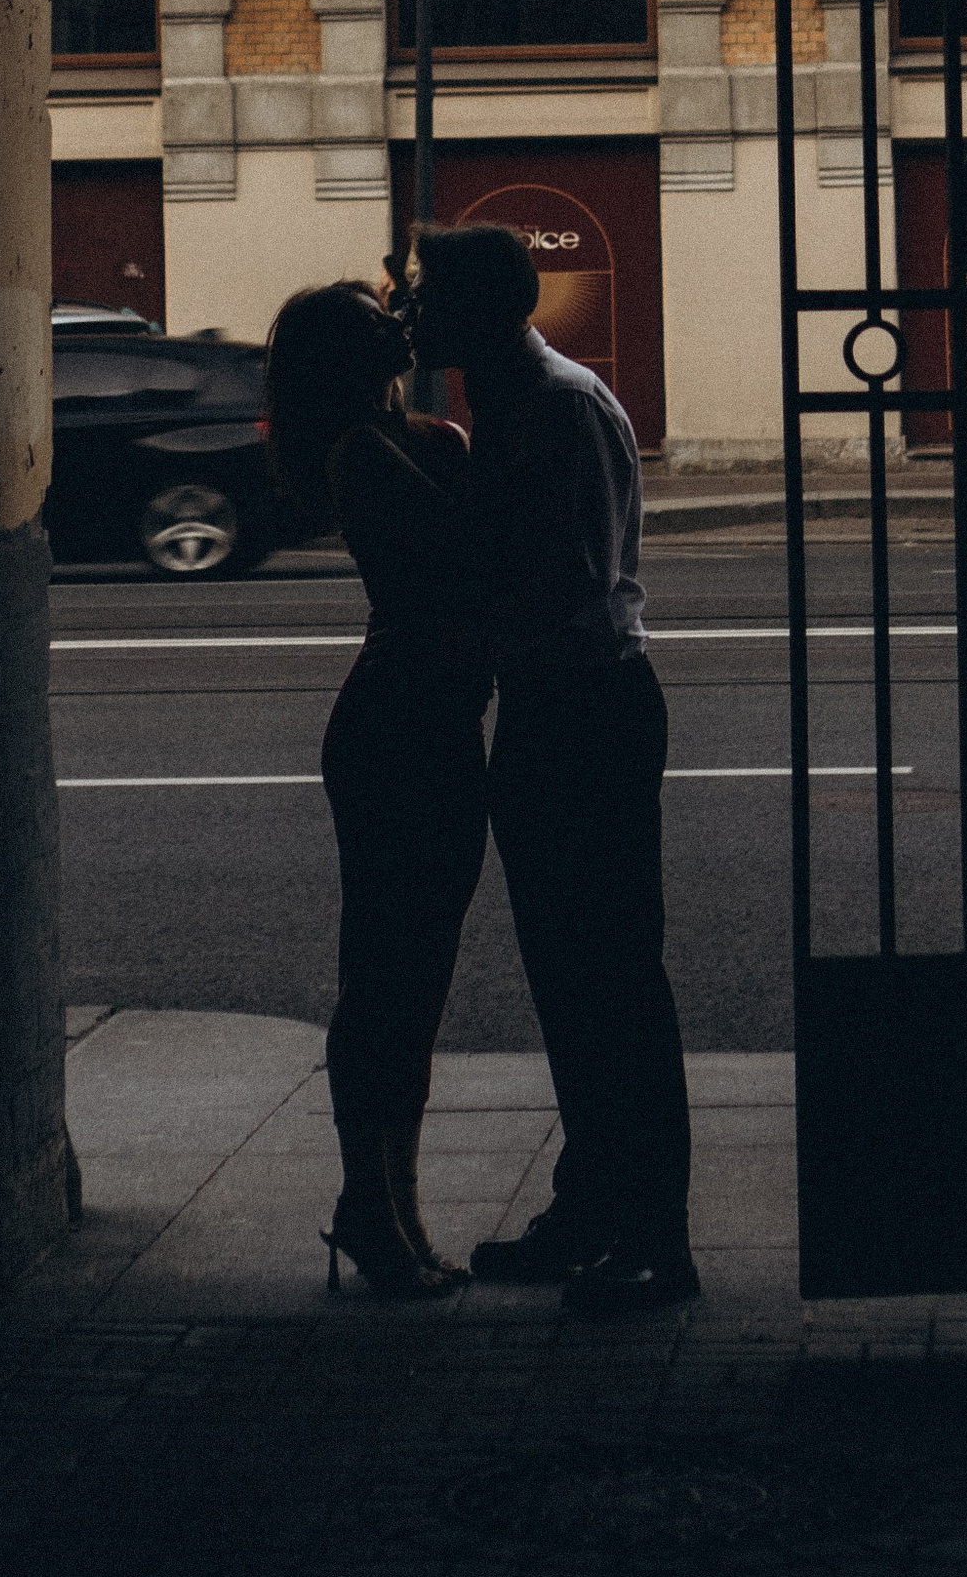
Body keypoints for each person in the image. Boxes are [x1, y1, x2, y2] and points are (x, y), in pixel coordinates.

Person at [404, 222, 697, 1315]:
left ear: (479, 309)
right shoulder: (517, 399)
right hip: (556, 709)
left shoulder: (556, 409)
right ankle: (593, 1206)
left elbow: (561, 586)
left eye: (428, 297)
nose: (413, 316)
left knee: (613, 982)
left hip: (584, 709)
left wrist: (449, 615)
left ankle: (657, 1237)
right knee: (573, 984)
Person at [263, 279, 490, 1300]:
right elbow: (467, 560)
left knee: (419, 979)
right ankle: (372, 1205)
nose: (389, 326)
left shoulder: (418, 436)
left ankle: (395, 1205)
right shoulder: (363, 454)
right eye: (370, 323)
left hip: (435, 724)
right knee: (385, 978)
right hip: (396, 727)